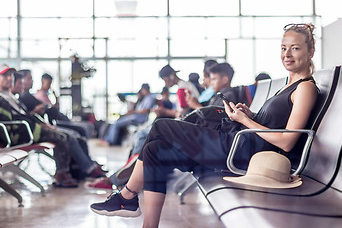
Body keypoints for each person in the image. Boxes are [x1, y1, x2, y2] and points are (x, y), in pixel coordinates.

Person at [90, 23, 318, 227]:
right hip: (239, 144)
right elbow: (273, 124)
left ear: (310, 52)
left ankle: (127, 196)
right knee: (154, 151)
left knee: (161, 126)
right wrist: (250, 114)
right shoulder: (288, 85)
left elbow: (288, 141)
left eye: (295, 48)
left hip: (242, 153)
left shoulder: (305, 88)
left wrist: (244, 120)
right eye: (283, 48)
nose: (287, 54)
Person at [9, 70, 106, 181]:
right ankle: (67, 172)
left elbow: (28, 115)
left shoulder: (17, 99)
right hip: (29, 132)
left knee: (76, 132)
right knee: (68, 136)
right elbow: (25, 117)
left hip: (36, 128)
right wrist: (43, 122)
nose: (29, 82)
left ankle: (81, 167)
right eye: (22, 81)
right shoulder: (21, 98)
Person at [0, 66, 78, 187]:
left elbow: (24, 115)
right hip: (22, 134)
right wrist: (40, 124)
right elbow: (16, 119)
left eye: (11, 75)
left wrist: (42, 124)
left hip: (29, 130)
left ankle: (68, 171)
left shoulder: (10, 97)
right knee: (62, 138)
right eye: (5, 76)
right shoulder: (2, 99)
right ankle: (62, 174)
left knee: (66, 136)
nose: (10, 78)